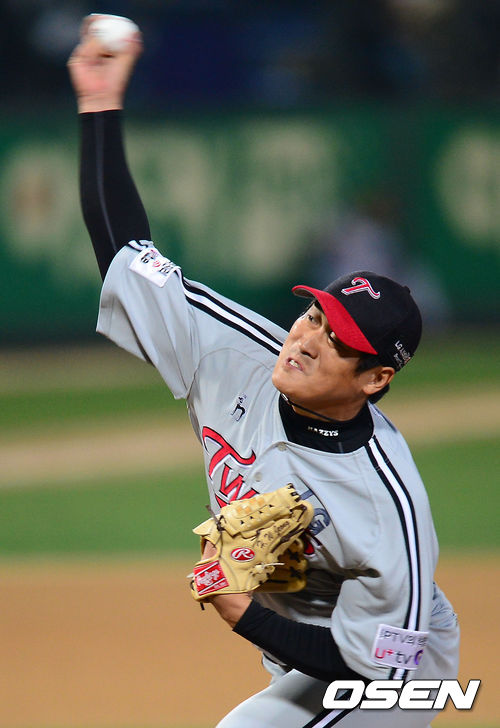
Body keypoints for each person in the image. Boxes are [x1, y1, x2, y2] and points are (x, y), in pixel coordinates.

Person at [68, 17, 459, 728]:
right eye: (313, 315)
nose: (304, 340)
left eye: (337, 341)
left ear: (374, 380)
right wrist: (100, 103)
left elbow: (372, 666)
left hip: (394, 669)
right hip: (306, 648)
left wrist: (242, 611)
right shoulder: (238, 351)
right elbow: (126, 253)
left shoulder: (386, 505)